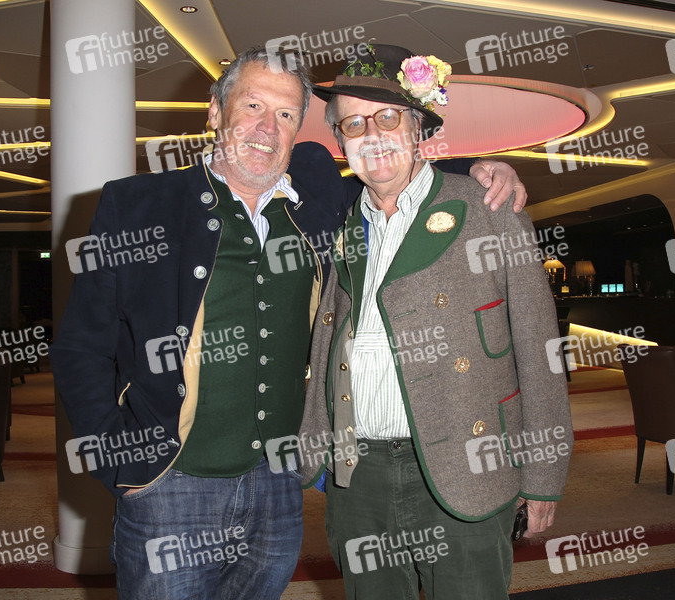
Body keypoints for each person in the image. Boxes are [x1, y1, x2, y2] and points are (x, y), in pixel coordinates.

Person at [50, 45, 528, 600]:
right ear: (215, 111)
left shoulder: (317, 192)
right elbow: (81, 349)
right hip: (169, 486)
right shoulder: (137, 206)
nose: (266, 128)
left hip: (277, 487)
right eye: (251, 106)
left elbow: (394, 177)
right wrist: (121, 462)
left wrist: (478, 170)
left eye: (284, 114)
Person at [297, 45, 573, 599]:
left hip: (466, 468)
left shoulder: (489, 211)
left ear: (418, 126)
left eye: (388, 118)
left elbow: (539, 351)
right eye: (354, 123)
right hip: (359, 476)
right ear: (341, 141)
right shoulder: (338, 224)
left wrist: (544, 475)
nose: (372, 136)